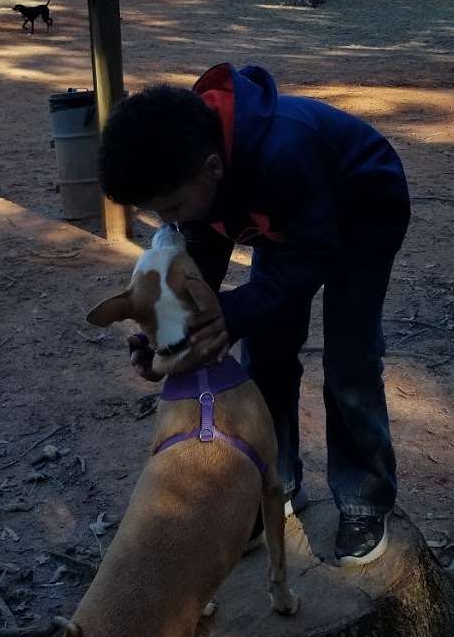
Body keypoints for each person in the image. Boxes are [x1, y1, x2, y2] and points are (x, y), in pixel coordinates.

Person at [98, 64, 411, 565]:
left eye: (173, 205)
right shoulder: (200, 173)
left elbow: (311, 256)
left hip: (363, 212)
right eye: (160, 212)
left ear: (212, 169)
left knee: (350, 361)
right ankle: (277, 484)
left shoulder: (283, 151)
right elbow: (204, 255)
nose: (170, 221)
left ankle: (363, 498)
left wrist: (233, 311)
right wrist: (172, 334)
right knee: (266, 351)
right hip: (284, 222)